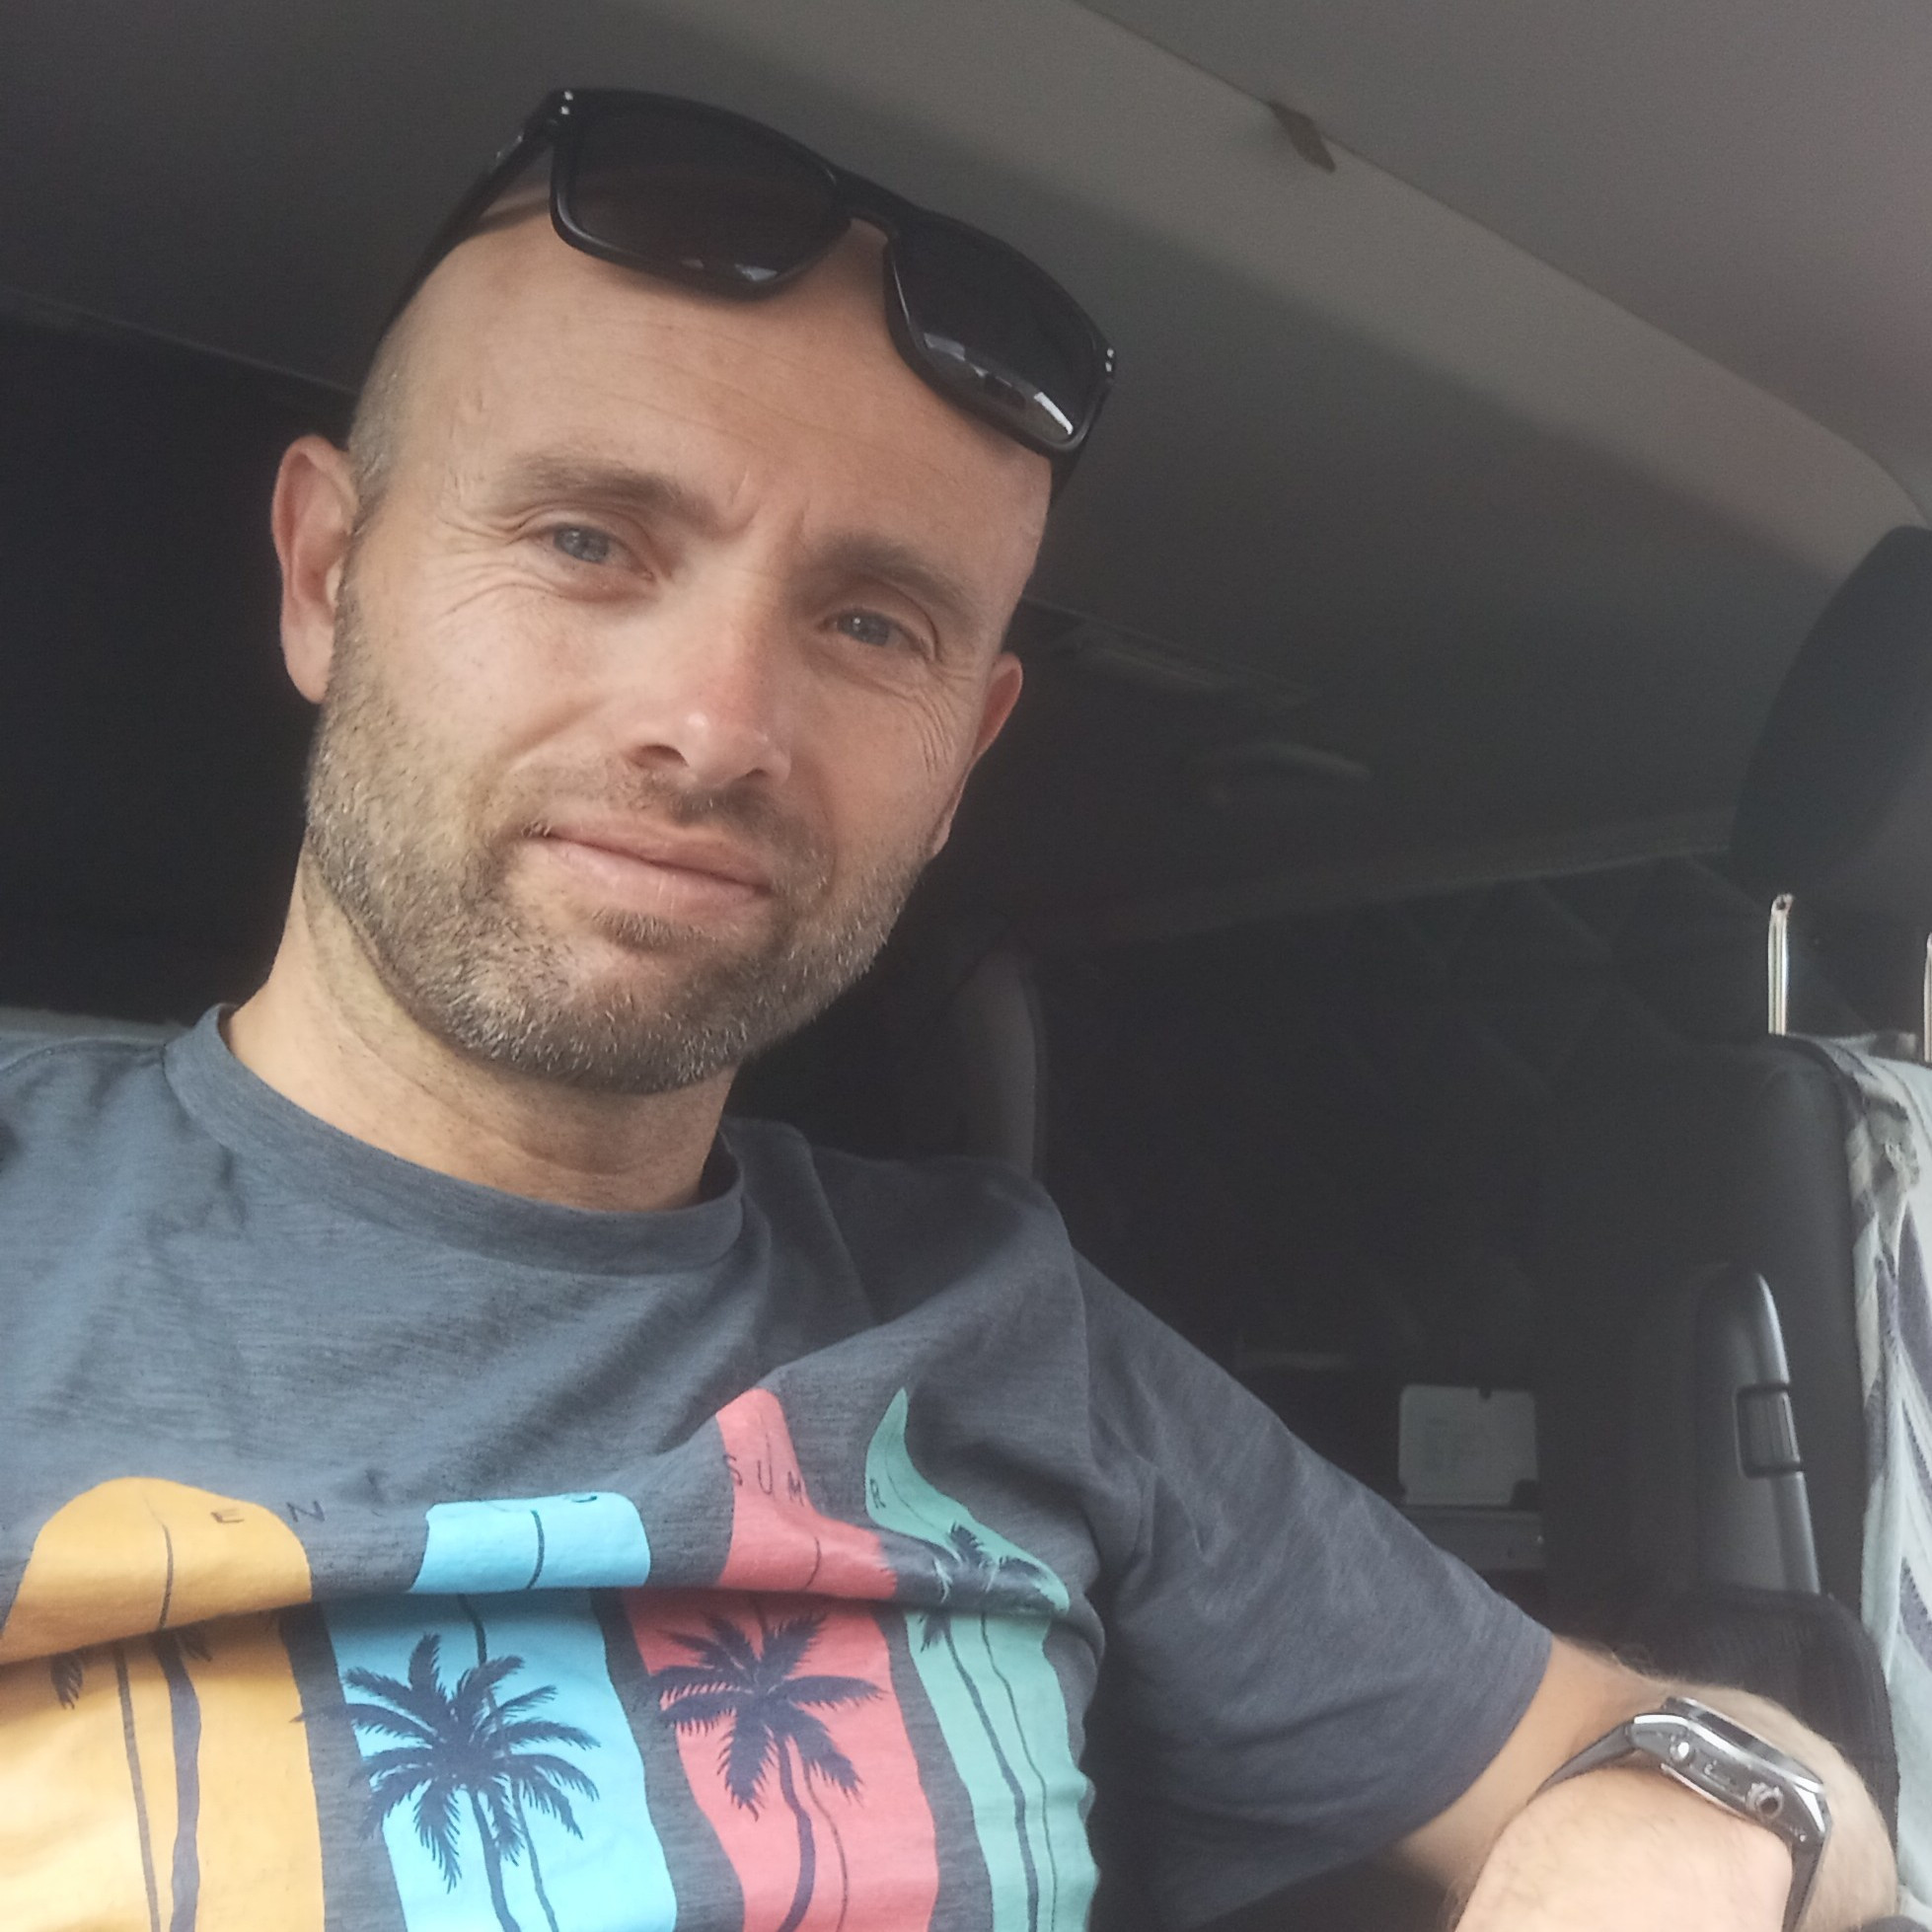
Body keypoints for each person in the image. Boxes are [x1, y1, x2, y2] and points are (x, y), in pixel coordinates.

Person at [0, 88, 1895, 1932]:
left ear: (962, 753)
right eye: (587, 540)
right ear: (325, 575)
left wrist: (1662, 1831)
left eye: (869, 623)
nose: (716, 726)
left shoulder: (999, 1322)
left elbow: (1727, 1767)